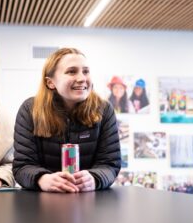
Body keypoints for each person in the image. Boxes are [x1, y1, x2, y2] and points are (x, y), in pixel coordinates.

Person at [13, 47, 121, 192]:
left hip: (89, 202)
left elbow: (110, 164)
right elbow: (22, 166)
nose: (82, 78)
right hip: (43, 203)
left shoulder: (104, 110)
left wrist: (94, 178)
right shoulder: (30, 110)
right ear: (50, 82)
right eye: (71, 71)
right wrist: (42, 179)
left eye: (86, 71)